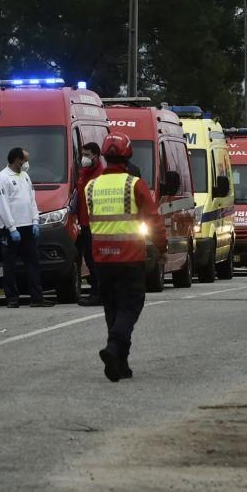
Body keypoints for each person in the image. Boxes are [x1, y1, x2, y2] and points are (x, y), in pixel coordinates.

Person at [86, 132, 166, 382]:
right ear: (128, 156)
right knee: (130, 307)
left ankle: (120, 363)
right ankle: (113, 349)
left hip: (101, 260)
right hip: (130, 258)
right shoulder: (134, 184)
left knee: (112, 309)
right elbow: (154, 219)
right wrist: (162, 248)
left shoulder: (92, 186)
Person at [0, 147, 54, 308]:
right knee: (10, 264)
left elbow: (31, 200)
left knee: (33, 262)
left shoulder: (26, 176)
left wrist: (35, 221)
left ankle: (37, 297)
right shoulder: (2, 178)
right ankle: (12, 298)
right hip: (12, 228)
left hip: (28, 225)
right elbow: (3, 205)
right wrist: (11, 228)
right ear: (16, 160)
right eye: (24, 160)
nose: (26, 163)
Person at [76, 142, 105, 306]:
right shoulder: (84, 173)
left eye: (87, 155)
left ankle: (98, 293)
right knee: (89, 259)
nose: (84, 158)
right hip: (84, 223)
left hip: (96, 225)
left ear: (96, 156)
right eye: (83, 155)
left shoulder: (100, 175)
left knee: (95, 260)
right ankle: (95, 291)